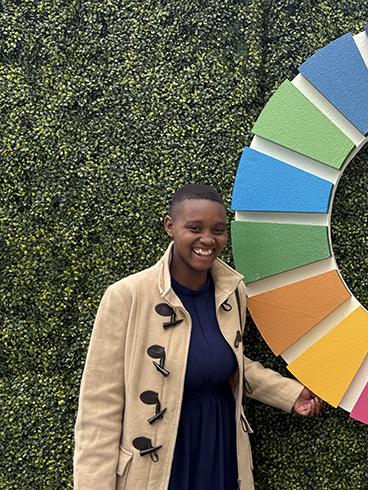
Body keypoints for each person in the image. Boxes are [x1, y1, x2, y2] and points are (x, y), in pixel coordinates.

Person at [74, 184, 323, 490]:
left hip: (219, 442)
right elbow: (100, 405)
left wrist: (288, 393)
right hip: (161, 457)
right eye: (195, 228)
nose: (208, 239)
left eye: (218, 230)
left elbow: (226, 360)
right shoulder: (127, 296)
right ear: (170, 227)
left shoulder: (232, 290)